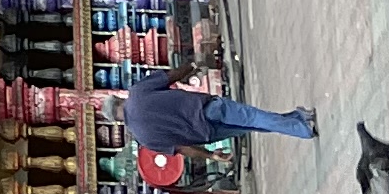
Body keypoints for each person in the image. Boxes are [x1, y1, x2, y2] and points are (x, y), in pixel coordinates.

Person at [124, 72, 314, 151]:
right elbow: (171, 75)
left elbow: (181, 150)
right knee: (252, 118)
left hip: (206, 133)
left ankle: (298, 118)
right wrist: (191, 67)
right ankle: (302, 129)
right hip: (205, 108)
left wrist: (211, 155)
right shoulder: (137, 93)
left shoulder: (144, 138)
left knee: (251, 124)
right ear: (118, 100)